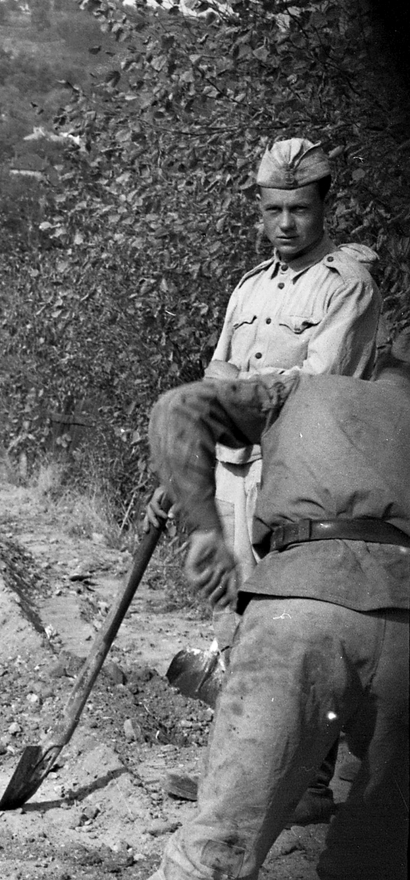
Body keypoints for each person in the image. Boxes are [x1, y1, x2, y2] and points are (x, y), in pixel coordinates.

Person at [148, 138, 382, 821]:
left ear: (324, 205)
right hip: (229, 475)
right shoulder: (250, 287)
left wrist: (234, 398)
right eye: (273, 209)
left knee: (288, 628)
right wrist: (185, 465)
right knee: (232, 623)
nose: (285, 223)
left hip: (294, 480)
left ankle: (304, 787)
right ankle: (241, 778)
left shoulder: (346, 286)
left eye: (299, 209)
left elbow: (317, 390)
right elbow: (216, 380)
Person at [143, 325, 408, 880]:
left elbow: (177, 409)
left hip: (302, 604)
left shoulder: (305, 390)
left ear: (384, 356)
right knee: (376, 851)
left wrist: (206, 528)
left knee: (221, 844)